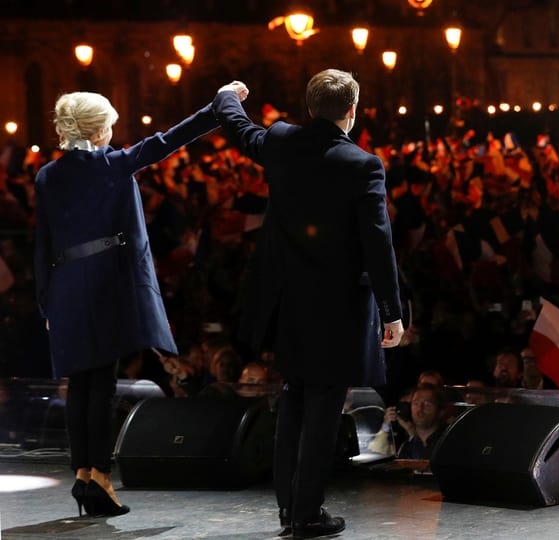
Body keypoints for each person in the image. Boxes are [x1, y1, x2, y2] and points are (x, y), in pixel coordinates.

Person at [213, 71, 403, 539]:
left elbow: (240, 129)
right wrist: (392, 310)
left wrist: (227, 98)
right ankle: (306, 514)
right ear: (352, 110)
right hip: (337, 307)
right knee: (322, 408)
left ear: (309, 105)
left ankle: (289, 509)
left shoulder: (281, 141)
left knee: (294, 401)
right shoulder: (363, 165)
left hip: (289, 303)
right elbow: (378, 243)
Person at [33, 88, 231, 516]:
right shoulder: (111, 164)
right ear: (99, 129)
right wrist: (218, 106)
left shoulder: (47, 175)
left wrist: (46, 303)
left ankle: (84, 475)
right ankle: (99, 477)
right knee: (100, 386)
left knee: (80, 386)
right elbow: (169, 140)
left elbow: (41, 244)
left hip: (65, 285)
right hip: (103, 283)